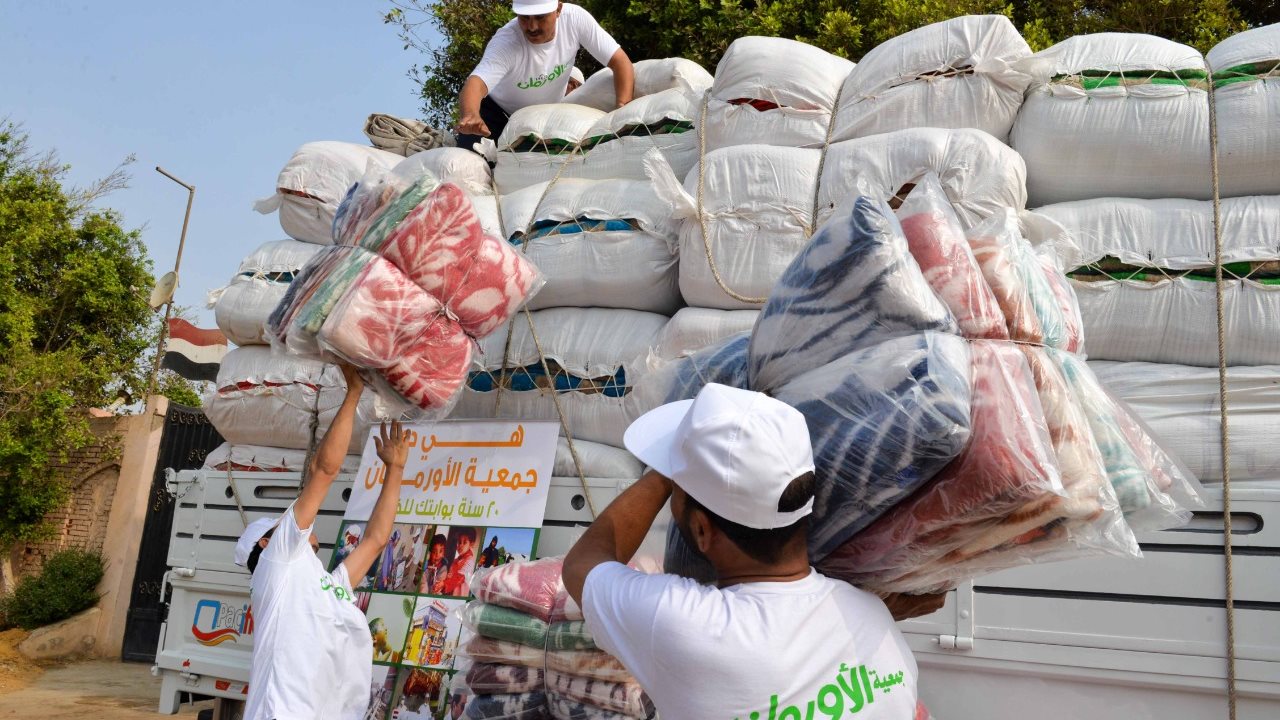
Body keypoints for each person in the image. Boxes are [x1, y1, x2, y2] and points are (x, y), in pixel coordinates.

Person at [563, 383, 934, 720]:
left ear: (702, 530)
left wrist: (668, 469)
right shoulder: (873, 617)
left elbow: (583, 564)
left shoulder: (684, 627)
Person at [234, 366, 412, 720]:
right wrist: (352, 394)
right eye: (285, 525)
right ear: (268, 543)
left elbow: (376, 541)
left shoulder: (330, 587)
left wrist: (395, 471)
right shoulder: (278, 563)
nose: (298, 524)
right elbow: (323, 472)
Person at [455, 1, 634, 150]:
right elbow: (476, 83)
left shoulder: (575, 20)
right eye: (524, 18)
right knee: (471, 162)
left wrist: (622, 109)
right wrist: (470, 115)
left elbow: (620, 62)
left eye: (540, 17)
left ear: (558, 9)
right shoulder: (507, 42)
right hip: (496, 114)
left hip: (544, 118)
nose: (532, 27)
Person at [434, 528, 478, 597]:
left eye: (464, 542)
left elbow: (460, 577)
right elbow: (450, 577)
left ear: (471, 544)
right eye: (459, 542)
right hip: (450, 593)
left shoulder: (470, 562)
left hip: (459, 595)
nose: (460, 545)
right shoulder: (456, 560)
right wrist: (442, 585)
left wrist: (444, 584)